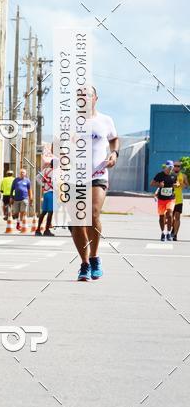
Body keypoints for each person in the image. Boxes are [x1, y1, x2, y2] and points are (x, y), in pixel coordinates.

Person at [70, 86, 119, 281]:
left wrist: (114, 153)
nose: (83, 97)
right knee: (77, 222)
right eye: (79, 95)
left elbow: (114, 139)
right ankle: (84, 263)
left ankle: (94, 256)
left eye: (87, 94)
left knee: (92, 214)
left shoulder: (105, 120)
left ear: (95, 98)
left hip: (98, 174)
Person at [150, 160, 177, 241]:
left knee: (170, 214)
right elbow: (151, 184)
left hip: (170, 199)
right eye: (169, 167)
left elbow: (177, 183)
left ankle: (169, 233)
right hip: (161, 199)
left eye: (172, 167)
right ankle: (163, 233)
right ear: (165, 166)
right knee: (161, 217)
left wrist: (177, 185)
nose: (170, 169)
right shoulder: (159, 175)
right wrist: (159, 185)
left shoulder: (173, 175)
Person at [35, 161, 54, 236]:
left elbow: (37, 178)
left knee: (44, 212)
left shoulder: (45, 170)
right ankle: (46, 230)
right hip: (52, 193)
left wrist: (43, 184)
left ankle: (38, 230)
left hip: (46, 193)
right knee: (50, 212)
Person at [11, 168, 32, 232]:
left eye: (23, 172)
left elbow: (29, 190)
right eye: (21, 172)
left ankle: (20, 224)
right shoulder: (16, 180)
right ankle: (18, 222)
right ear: (19, 173)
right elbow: (12, 189)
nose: (22, 173)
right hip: (16, 199)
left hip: (24, 199)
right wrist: (11, 197)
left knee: (22, 212)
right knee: (16, 212)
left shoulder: (27, 181)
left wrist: (31, 198)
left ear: (25, 174)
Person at [172, 161, 188, 241]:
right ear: (173, 166)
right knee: (170, 218)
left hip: (179, 199)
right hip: (169, 199)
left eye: (178, 166)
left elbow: (186, 185)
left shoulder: (183, 176)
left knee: (177, 217)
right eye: (175, 166)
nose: (176, 167)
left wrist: (181, 184)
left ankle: (175, 235)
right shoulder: (169, 175)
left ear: (180, 167)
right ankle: (171, 229)